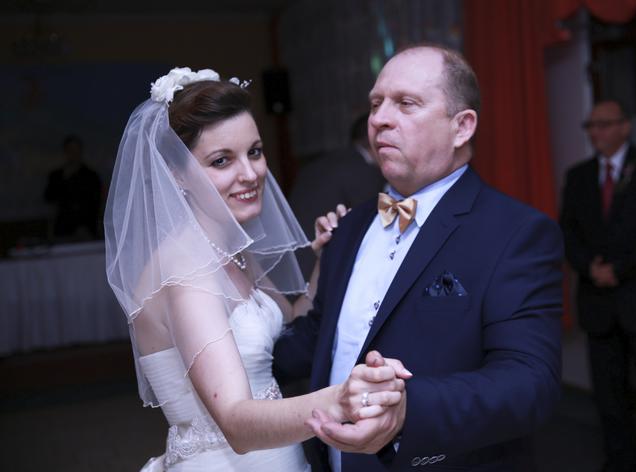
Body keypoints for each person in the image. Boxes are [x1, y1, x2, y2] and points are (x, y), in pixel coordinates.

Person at [273, 45, 564, 471]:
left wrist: (409, 409)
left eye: (406, 103)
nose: (379, 118)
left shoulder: (515, 233)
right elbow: (318, 341)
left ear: (462, 127)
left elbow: (529, 383)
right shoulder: (349, 227)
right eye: (376, 103)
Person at [104, 67, 408, 471]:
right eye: (221, 160)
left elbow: (290, 320)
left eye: (255, 152)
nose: (250, 174)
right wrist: (340, 400)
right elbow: (235, 423)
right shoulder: (187, 272)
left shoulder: (233, 253)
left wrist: (324, 261)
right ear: (176, 174)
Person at [559, 100, 636, 472]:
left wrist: (620, 269)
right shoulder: (579, 176)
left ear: (625, 127)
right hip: (599, 304)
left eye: (604, 124)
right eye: (591, 125)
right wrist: (590, 267)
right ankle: (620, 461)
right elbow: (567, 231)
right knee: (609, 395)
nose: (595, 132)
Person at [289, 112, 386, 278]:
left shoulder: (323, 162)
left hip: (294, 251)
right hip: (319, 257)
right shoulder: (363, 171)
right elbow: (374, 223)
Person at [44, 134, 103, 239]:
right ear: (65, 152)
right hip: (62, 228)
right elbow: (49, 197)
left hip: (87, 228)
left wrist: (88, 227)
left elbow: (96, 203)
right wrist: (65, 178)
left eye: (76, 150)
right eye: (70, 150)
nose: (73, 153)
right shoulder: (56, 176)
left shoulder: (91, 176)